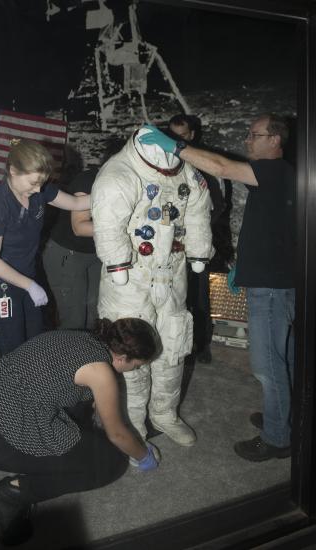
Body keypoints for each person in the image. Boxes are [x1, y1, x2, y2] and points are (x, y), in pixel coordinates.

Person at [139, 114, 296, 462]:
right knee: (285, 359)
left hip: (270, 287)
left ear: (275, 140)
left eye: (254, 135)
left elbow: (222, 168)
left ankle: (277, 437)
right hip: (272, 278)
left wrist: (175, 146)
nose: (247, 140)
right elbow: (280, 229)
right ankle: (283, 418)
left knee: (268, 367)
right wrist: (245, 265)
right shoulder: (280, 177)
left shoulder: (272, 170)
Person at [0, 317, 160, 546]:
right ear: (122, 357)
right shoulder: (101, 372)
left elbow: (89, 405)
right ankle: (12, 495)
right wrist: (143, 454)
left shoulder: (82, 337)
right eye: (136, 366)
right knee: (110, 464)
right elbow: (117, 434)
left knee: (87, 427)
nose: (135, 370)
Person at [91, 126, 213, 447]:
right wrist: (117, 262)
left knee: (173, 346)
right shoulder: (120, 172)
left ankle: (164, 413)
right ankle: (132, 427)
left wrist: (199, 250)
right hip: (129, 279)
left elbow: (199, 211)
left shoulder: (186, 172)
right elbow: (108, 221)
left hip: (172, 275)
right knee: (129, 353)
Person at [0, 138, 90, 357]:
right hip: (1, 285)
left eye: (42, 182)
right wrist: (30, 285)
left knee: (36, 343)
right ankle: (11, 390)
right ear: (12, 170)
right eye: (33, 183)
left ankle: (34, 388)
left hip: (28, 278)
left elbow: (77, 203)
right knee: (14, 353)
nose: (39, 188)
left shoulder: (40, 191)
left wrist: (114, 193)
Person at [168, 114, 233, 363]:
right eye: (172, 136)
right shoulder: (165, 162)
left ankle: (202, 344)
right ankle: (177, 346)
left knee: (199, 295)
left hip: (198, 240)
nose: (176, 142)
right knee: (174, 296)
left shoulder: (204, 164)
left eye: (181, 137)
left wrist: (196, 232)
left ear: (192, 136)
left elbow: (218, 207)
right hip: (170, 243)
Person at [43, 138, 125, 330]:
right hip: (68, 254)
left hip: (96, 255)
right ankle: (69, 359)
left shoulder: (127, 184)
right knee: (74, 319)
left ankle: (89, 358)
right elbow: (79, 227)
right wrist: (128, 228)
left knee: (96, 314)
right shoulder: (89, 179)